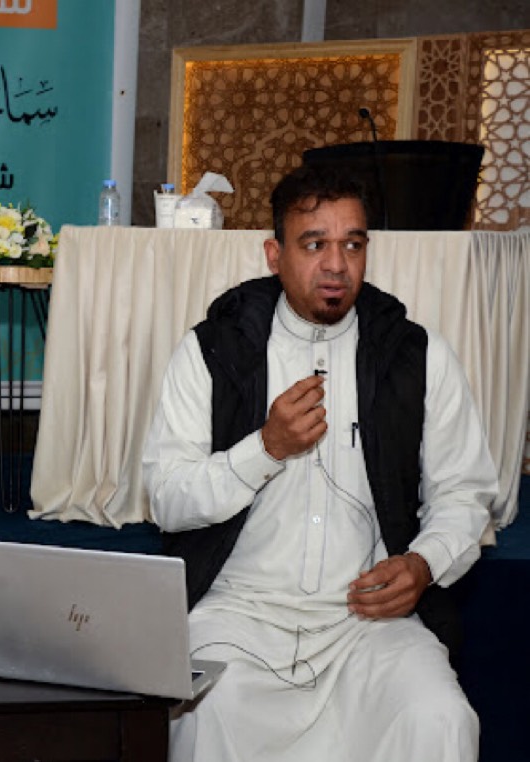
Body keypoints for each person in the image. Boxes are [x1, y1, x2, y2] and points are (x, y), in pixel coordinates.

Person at [142, 165, 498, 762]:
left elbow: (465, 493)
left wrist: (423, 564)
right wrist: (266, 448)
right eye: (314, 245)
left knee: (440, 718)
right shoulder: (212, 351)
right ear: (274, 256)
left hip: (367, 623)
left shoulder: (416, 356)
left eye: (352, 245)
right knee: (206, 714)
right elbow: (167, 499)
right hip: (238, 616)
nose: (336, 264)